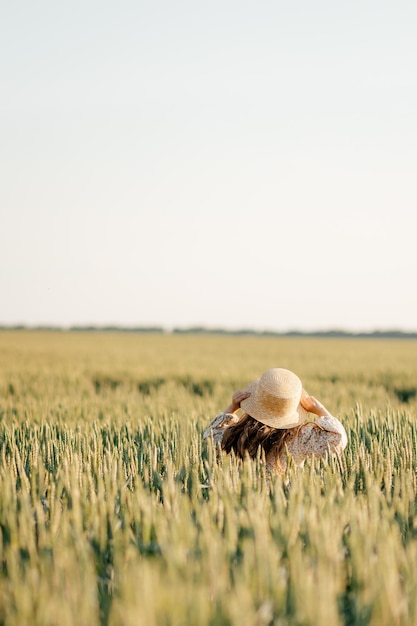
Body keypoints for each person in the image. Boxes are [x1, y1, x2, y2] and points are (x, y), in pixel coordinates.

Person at [203, 368, 347, 472]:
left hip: (243, 500)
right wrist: (321, 410)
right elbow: (338, 440)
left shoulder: (236, 433)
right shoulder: (300, 437)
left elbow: (210, 437)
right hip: (285, 504)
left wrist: (231, 408)